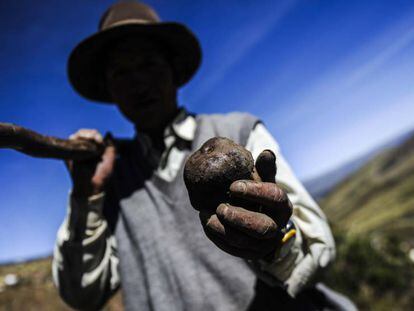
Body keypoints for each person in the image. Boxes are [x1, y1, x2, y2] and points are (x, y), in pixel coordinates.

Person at [52, 1, 355, 310]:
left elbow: (320, 250)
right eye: (121, 72)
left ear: (173, 69)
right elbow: (81, 295)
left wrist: (276, 247)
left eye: (149, 64)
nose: (138, 82)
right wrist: (86, 195)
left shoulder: (239, 131)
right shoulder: (107, 179)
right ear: (109, 88)